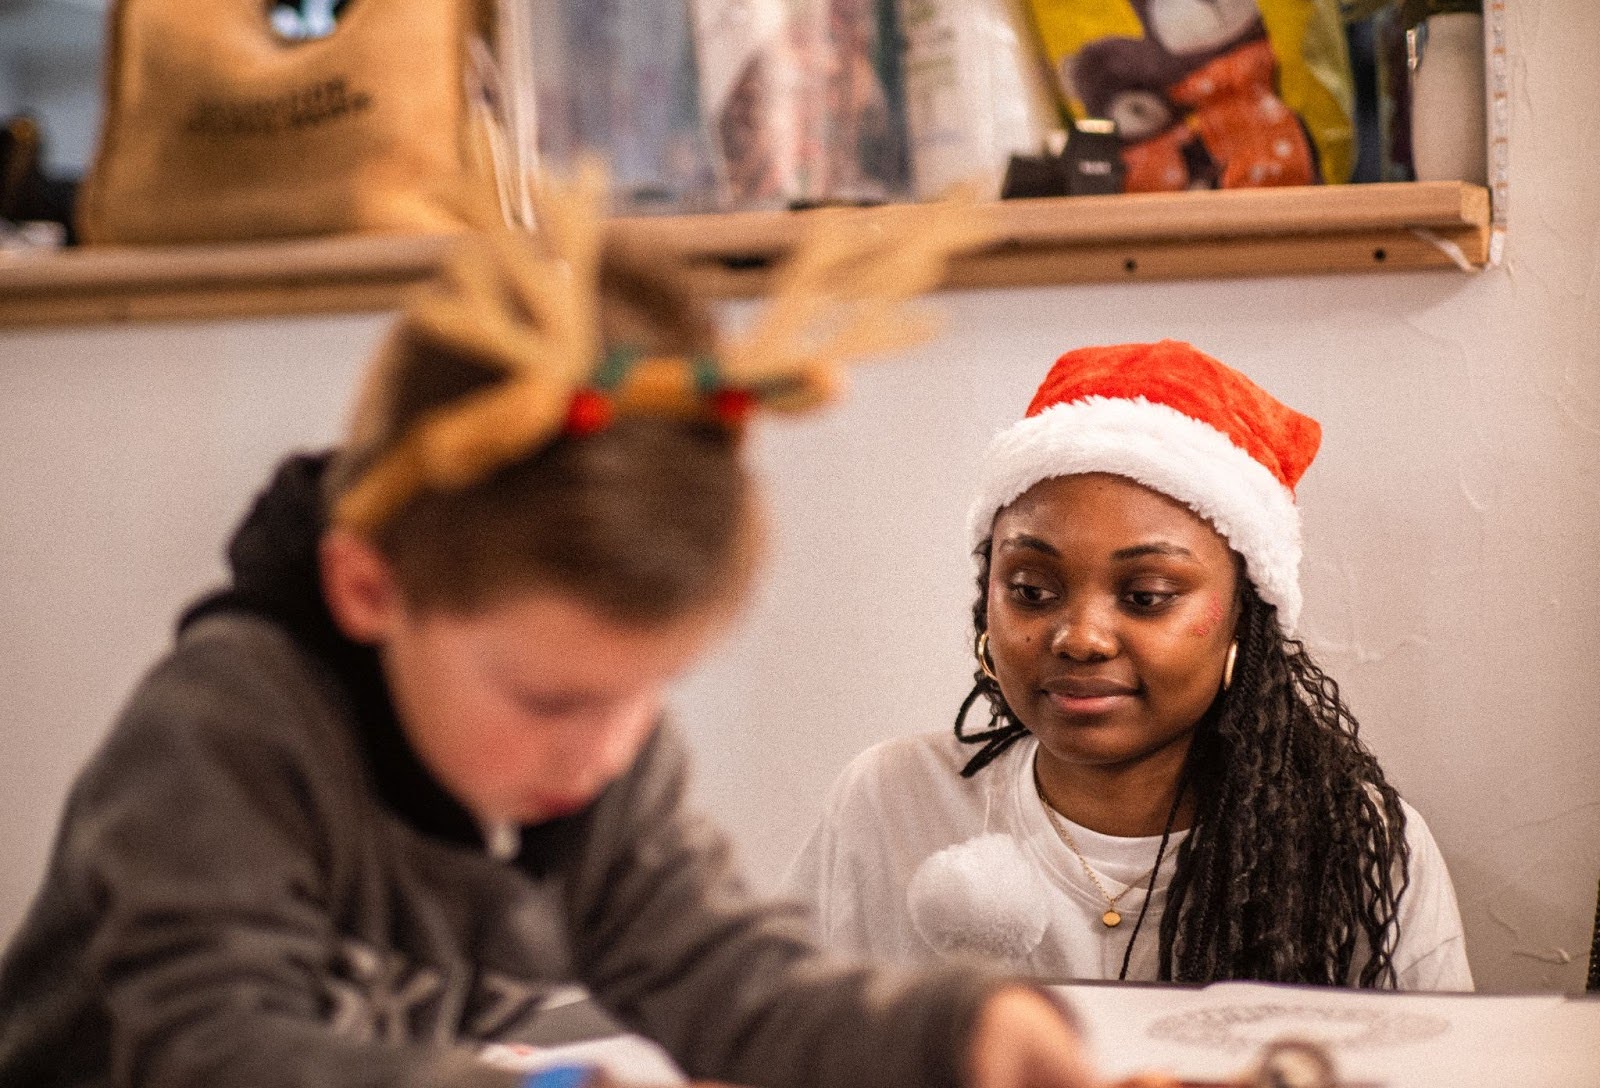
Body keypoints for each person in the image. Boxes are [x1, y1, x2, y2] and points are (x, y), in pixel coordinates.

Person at [0, 181, 1104, 1088]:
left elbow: (718, 970)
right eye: (551, 699)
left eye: (650, 688)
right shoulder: (225, 730)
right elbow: (215, 1050)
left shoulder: (583, 754)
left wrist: (946, 1035)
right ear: (368, 587)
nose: (606, 749)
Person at [787, 340, 1473, 991]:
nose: (1080, 638)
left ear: (1245, 617)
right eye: (1031, 590)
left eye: (1146, 597)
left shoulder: (1359, 846)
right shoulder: (892, 804)